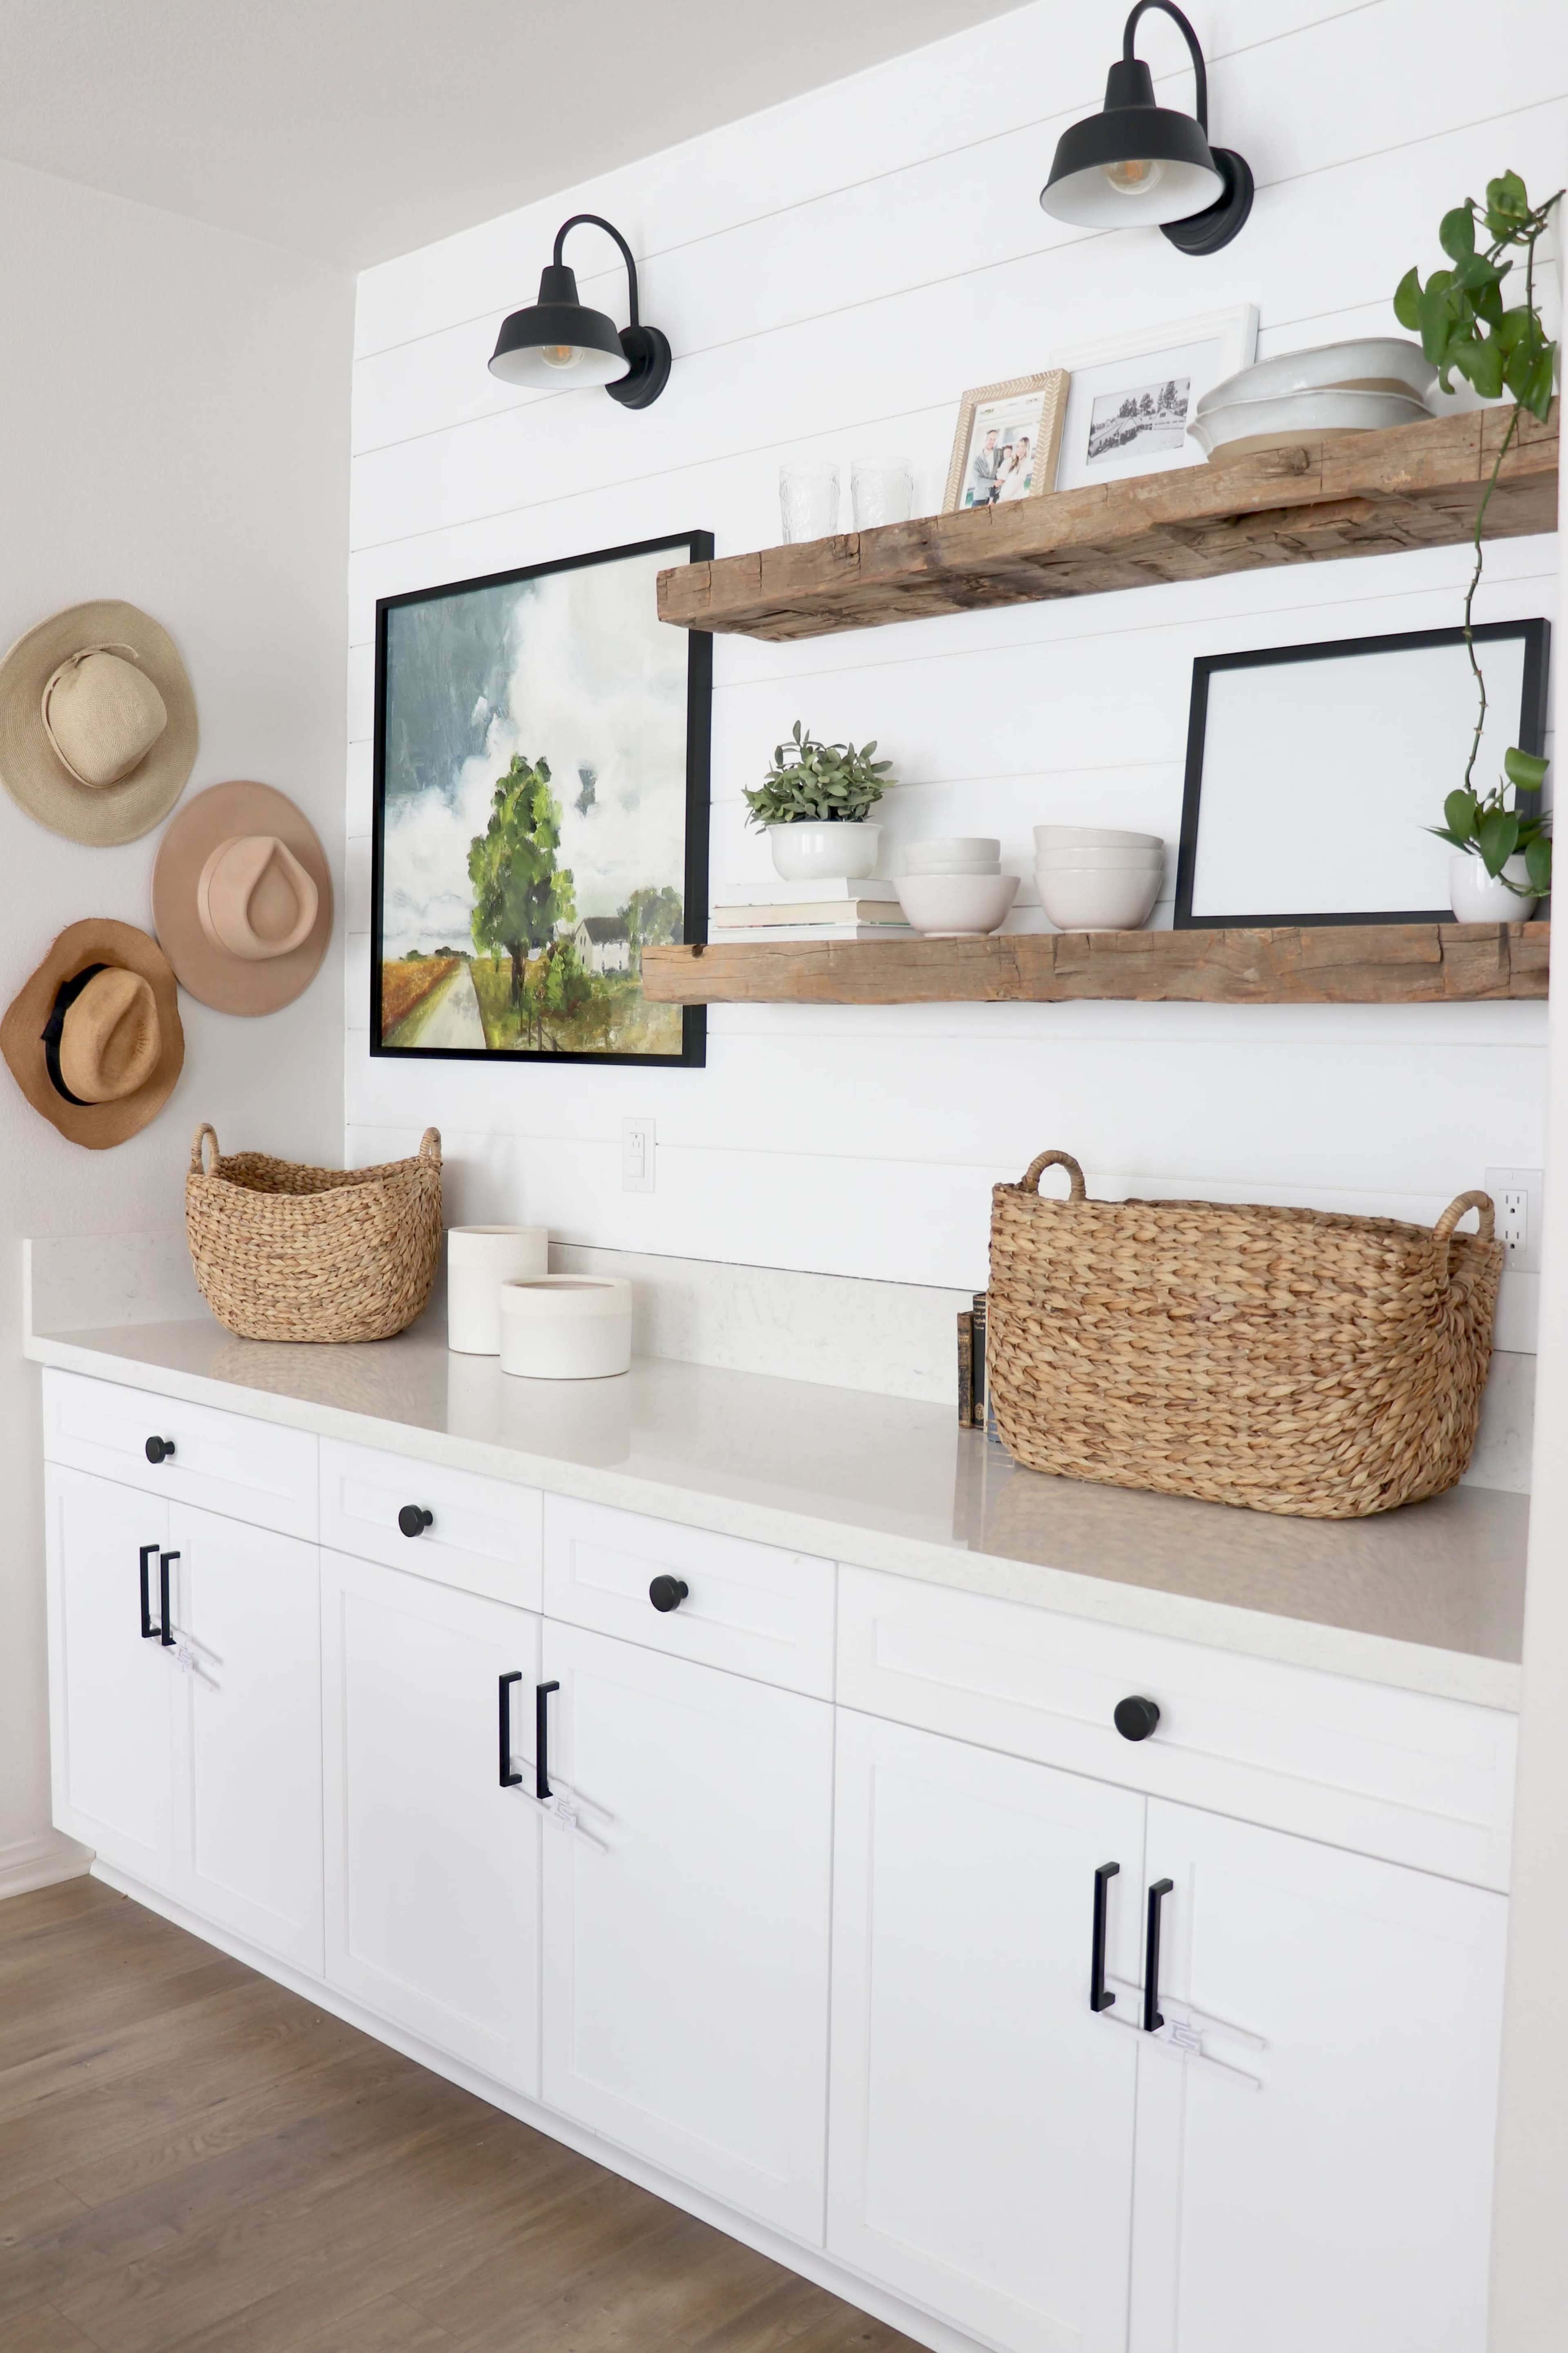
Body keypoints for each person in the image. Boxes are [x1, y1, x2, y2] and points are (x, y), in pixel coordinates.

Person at [967, 427, 1000, 507]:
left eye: (995, 440)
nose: (992, 442)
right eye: (991, 439)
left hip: (993, 499)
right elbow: (978, 481)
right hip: (979, 500)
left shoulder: (999, 456)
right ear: (986, 440)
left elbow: (1002, 475)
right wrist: (994, 483)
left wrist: (995, 499)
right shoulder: (977, 461)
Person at [994, 433, 1033, 501]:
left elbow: (1018, 483)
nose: (1019, 449)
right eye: (1018, 446)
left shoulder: (1025, 464)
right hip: (1005, 496)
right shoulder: (1015, 462)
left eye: (1022, 446)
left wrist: (1005, 498)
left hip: (1013, 498)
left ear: (1026, 448)